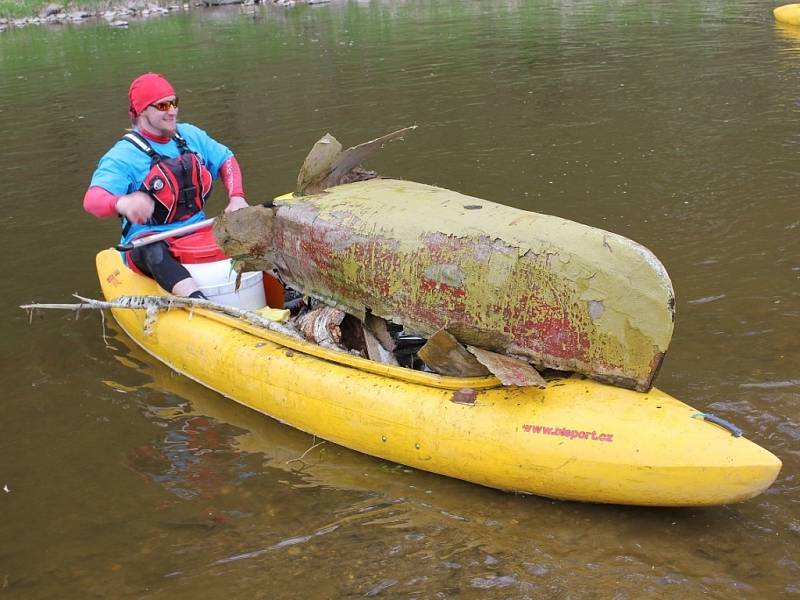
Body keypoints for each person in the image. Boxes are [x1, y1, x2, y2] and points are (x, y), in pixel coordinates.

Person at [84, 72, 249, 298]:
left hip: (197, 230)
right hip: (149, 242)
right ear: (142, 111)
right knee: (152, 250)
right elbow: (92, 200)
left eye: (174, 102)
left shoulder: (190, 135)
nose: (172, 111)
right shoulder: (122, 156)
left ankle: (284, 287)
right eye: (162, 105)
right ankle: (201, 304)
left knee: (248, 225)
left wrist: (236, 197)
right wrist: (121, 202)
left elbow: (225, 159)